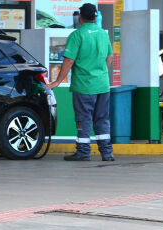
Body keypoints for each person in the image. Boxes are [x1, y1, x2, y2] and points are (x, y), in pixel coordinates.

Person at [44, 3, 114, 161]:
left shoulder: (77, 35)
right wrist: (101, 72)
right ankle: (107, 153)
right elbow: (110, 56)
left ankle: (83, 152)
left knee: (84, 118)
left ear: (80, 17)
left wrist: (57, 81)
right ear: (95, 17)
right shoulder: (103, 34)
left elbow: (68, 60)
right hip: (103, 84)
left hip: (84, 85)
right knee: (102, 118)